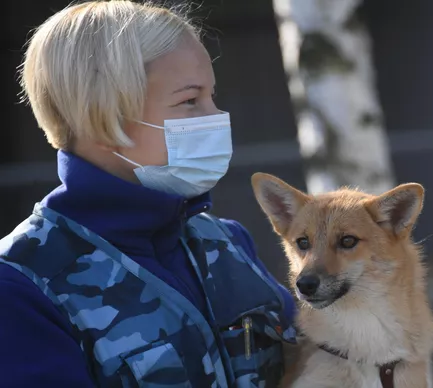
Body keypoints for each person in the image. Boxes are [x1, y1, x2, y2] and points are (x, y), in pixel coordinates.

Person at [0, 1, 297, 387]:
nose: (214, 116)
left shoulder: (225, 242)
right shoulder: (23, 283)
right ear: (102, 114)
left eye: (211, 96)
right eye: (190, 100)